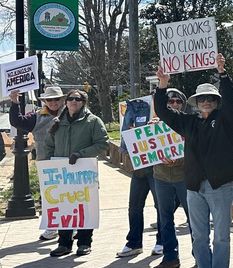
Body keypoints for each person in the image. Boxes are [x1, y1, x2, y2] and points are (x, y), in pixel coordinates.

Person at [154, 54, 233, 268]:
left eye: (210, 98)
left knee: (221, 237)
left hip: (220, 186)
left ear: (216, 101)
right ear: (196, 101)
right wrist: (162, 86)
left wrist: (223, 73)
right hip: (194, 187)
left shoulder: (226, 120)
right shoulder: (189, 123)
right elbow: (163, 111)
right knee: (199, 236)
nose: (205, 101)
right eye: (201, 98)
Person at [40, 89, 109, 257]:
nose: (73, 101)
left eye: (77, 99)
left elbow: (103, 143)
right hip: (61, 174)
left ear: (83, 102)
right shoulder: (57, 122)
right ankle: (64, 244)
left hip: (83, 173)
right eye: (70, 98)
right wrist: (48, 164)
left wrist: (81, 154)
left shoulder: (93, 121)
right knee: (64, 208)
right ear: (66, 102)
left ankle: (85, 243)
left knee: (85, 208)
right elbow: (49, 145)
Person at [10, 86, 60, 241]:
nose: (53, 103)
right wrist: (14, 103)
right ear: (44, 101)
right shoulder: (38, 116)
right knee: (49, 195)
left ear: (62, 99)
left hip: (67, 160)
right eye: (49, 100)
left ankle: (70, 226)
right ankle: (52, 227)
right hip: (46, 162)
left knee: (69, 194)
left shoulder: (70, 113)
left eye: (56, 99)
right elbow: (17, 121)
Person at [117, 96, 163, 258]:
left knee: (161, 206)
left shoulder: (167, 113)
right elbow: (128, 129)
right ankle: (134, 243)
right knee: (134, 205)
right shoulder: (138, 107)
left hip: (159, 167)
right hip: (141, 166)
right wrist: (126, 149)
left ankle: (162, 241)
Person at [151, 88, 191, 268]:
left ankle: (201, 257)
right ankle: (170, 258)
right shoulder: (153, 126)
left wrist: (178, 161)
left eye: (178, 101)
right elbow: (142, 149)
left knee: (194, 219)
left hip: (185, 177)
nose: (174, 104)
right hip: (161, 177)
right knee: (165, 218)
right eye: (170, 101)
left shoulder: (188, 123)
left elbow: (194, 151)